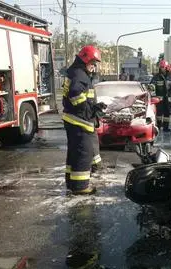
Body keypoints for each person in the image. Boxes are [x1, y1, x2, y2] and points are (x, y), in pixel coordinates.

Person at [61, 45, 106, 195]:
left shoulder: (76, 72)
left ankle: (71, 183)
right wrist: (90, 111)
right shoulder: (80, 75)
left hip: (73, 120)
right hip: (79, 121)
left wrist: (94, 106)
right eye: (93, 63)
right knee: (83, 154)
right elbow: (76, 96)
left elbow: (80, 96)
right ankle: (81, 187)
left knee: (74, 153)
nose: (94, 67)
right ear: (86, 60)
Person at [149, 60, 171, 131]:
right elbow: (151, 87)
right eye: (161, 67)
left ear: (167, 67)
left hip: (168, 99)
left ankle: (166, 127)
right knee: (159, 114)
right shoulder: (156, 77)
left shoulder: (170, 76)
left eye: (164, 67)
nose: (162, 68)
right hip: (159, 99)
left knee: (167, 113)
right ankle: (158, 126)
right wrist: (155, 97)